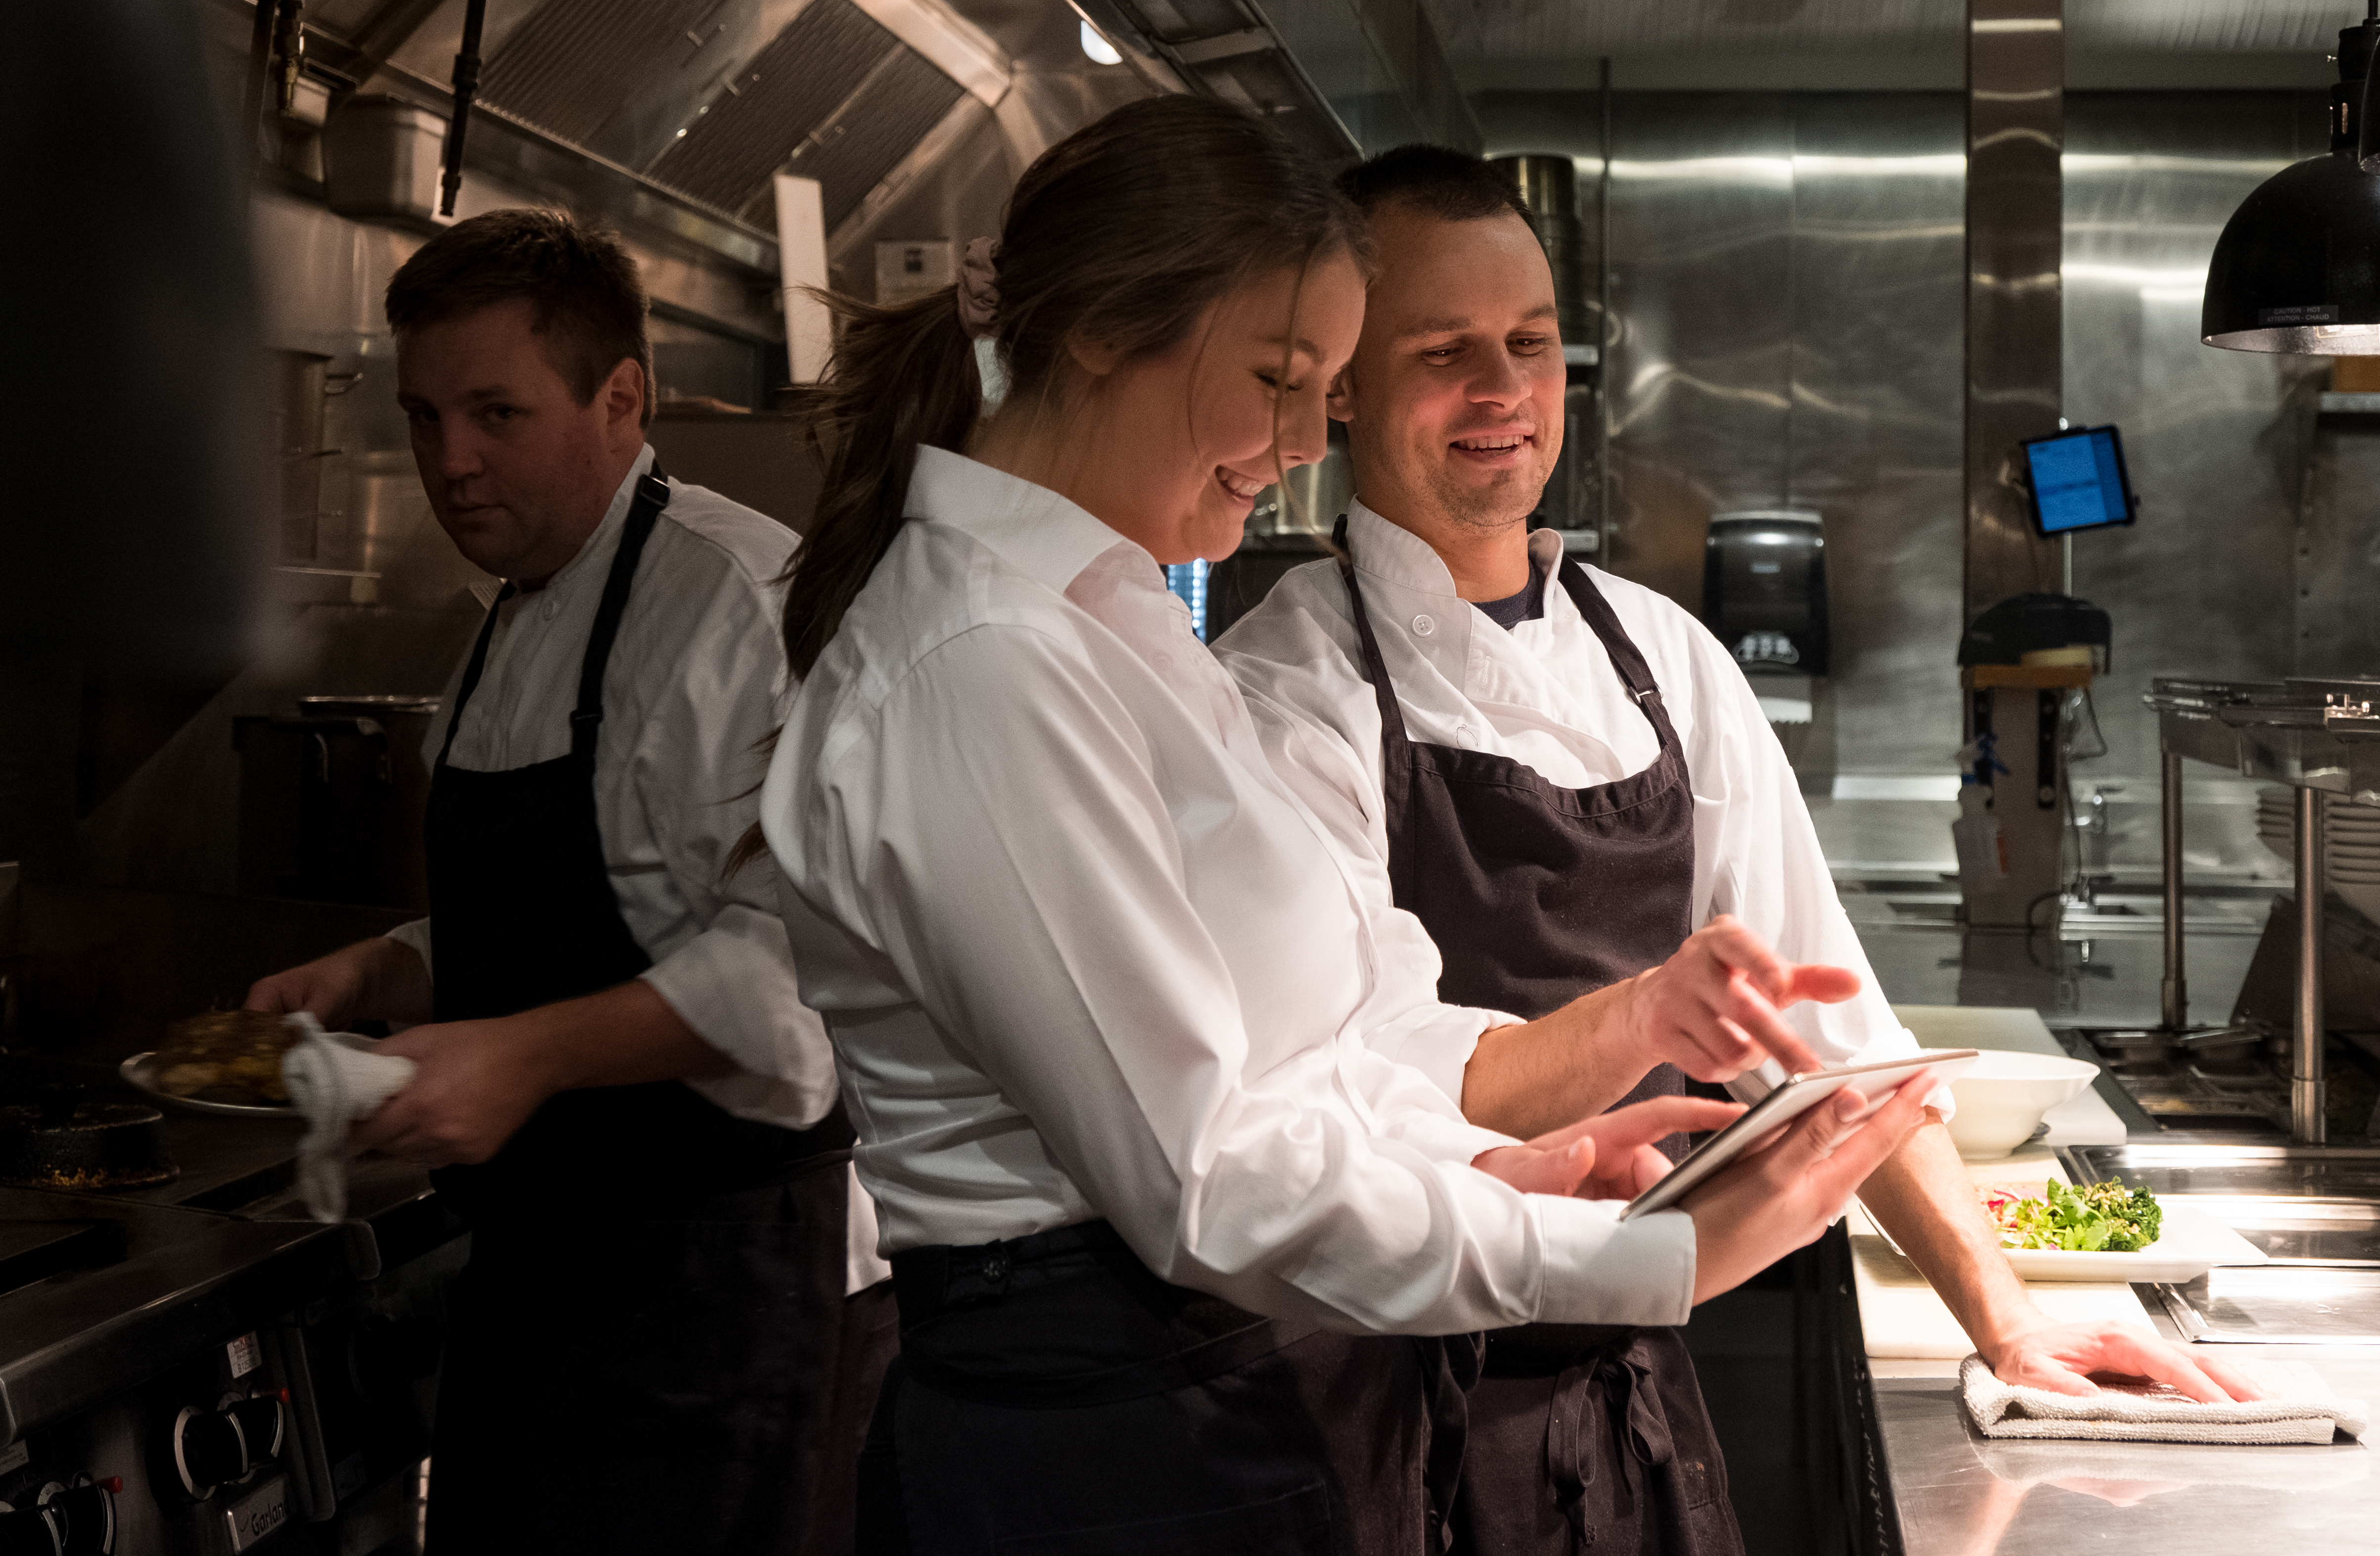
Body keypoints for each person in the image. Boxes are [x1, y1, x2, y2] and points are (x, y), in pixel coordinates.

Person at [754, 93, 1941, 1555]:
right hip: (1120, 1440)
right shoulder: (979, 662)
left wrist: (1504, 1165)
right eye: (1280, 376)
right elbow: (1204, 1177)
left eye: (1318, 384)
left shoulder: (1118, 631)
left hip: (1265, 1398)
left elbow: (1350, 1027)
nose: (1304, 437)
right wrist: (1646, 1259)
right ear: (1105, 330)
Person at [1215, 146, 2269, 1555]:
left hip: (1626, 1364)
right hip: (1371, 1400)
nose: (1502, 392)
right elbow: (1352, 1086)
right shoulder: (1279, 692)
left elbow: (1833, 1041)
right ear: (1340, 384)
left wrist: (2010, 1325)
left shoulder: (1665, 660)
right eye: (1443, 350)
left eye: (1529, 344)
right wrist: (1646, 1013)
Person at [248, 211, 888, 1556]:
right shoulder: (517, 610)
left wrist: (525, 1057)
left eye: (495, 413)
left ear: (621, 398)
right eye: (425, 417)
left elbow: (790, 979)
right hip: (545, 1273)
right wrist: (389, 968)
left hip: (724, 1288)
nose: (451, 462)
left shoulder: (732, 601)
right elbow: (610, 900)